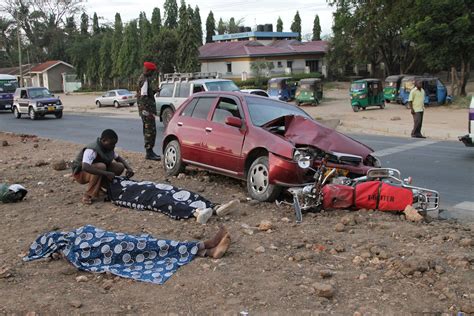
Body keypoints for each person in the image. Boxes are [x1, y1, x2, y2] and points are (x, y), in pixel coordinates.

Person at [71, 129, 134, 204]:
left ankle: (99, 188)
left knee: (119, 166)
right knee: (101, 166)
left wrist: (129, 168)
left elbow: (118, 158)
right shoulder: (92, 149)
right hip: (80, 173)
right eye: (111, 144)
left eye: (114, 144)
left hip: (96, 170)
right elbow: (85, 167)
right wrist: (106, 173)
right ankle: (88, 194)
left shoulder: (108, 148)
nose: (113, 146)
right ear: (104, 140)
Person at [137, 61, 161, 161]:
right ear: (148, 70)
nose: (153, 73)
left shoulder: (143, 79)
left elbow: (146, 93)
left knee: (148, 131)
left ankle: (150, 152)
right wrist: (148, 112)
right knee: (150, 131)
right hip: (146, 111)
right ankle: (149, 153)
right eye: (152, 71)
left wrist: (155, 91)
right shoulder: (145, 80)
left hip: (144, 110)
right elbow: (143, 97)